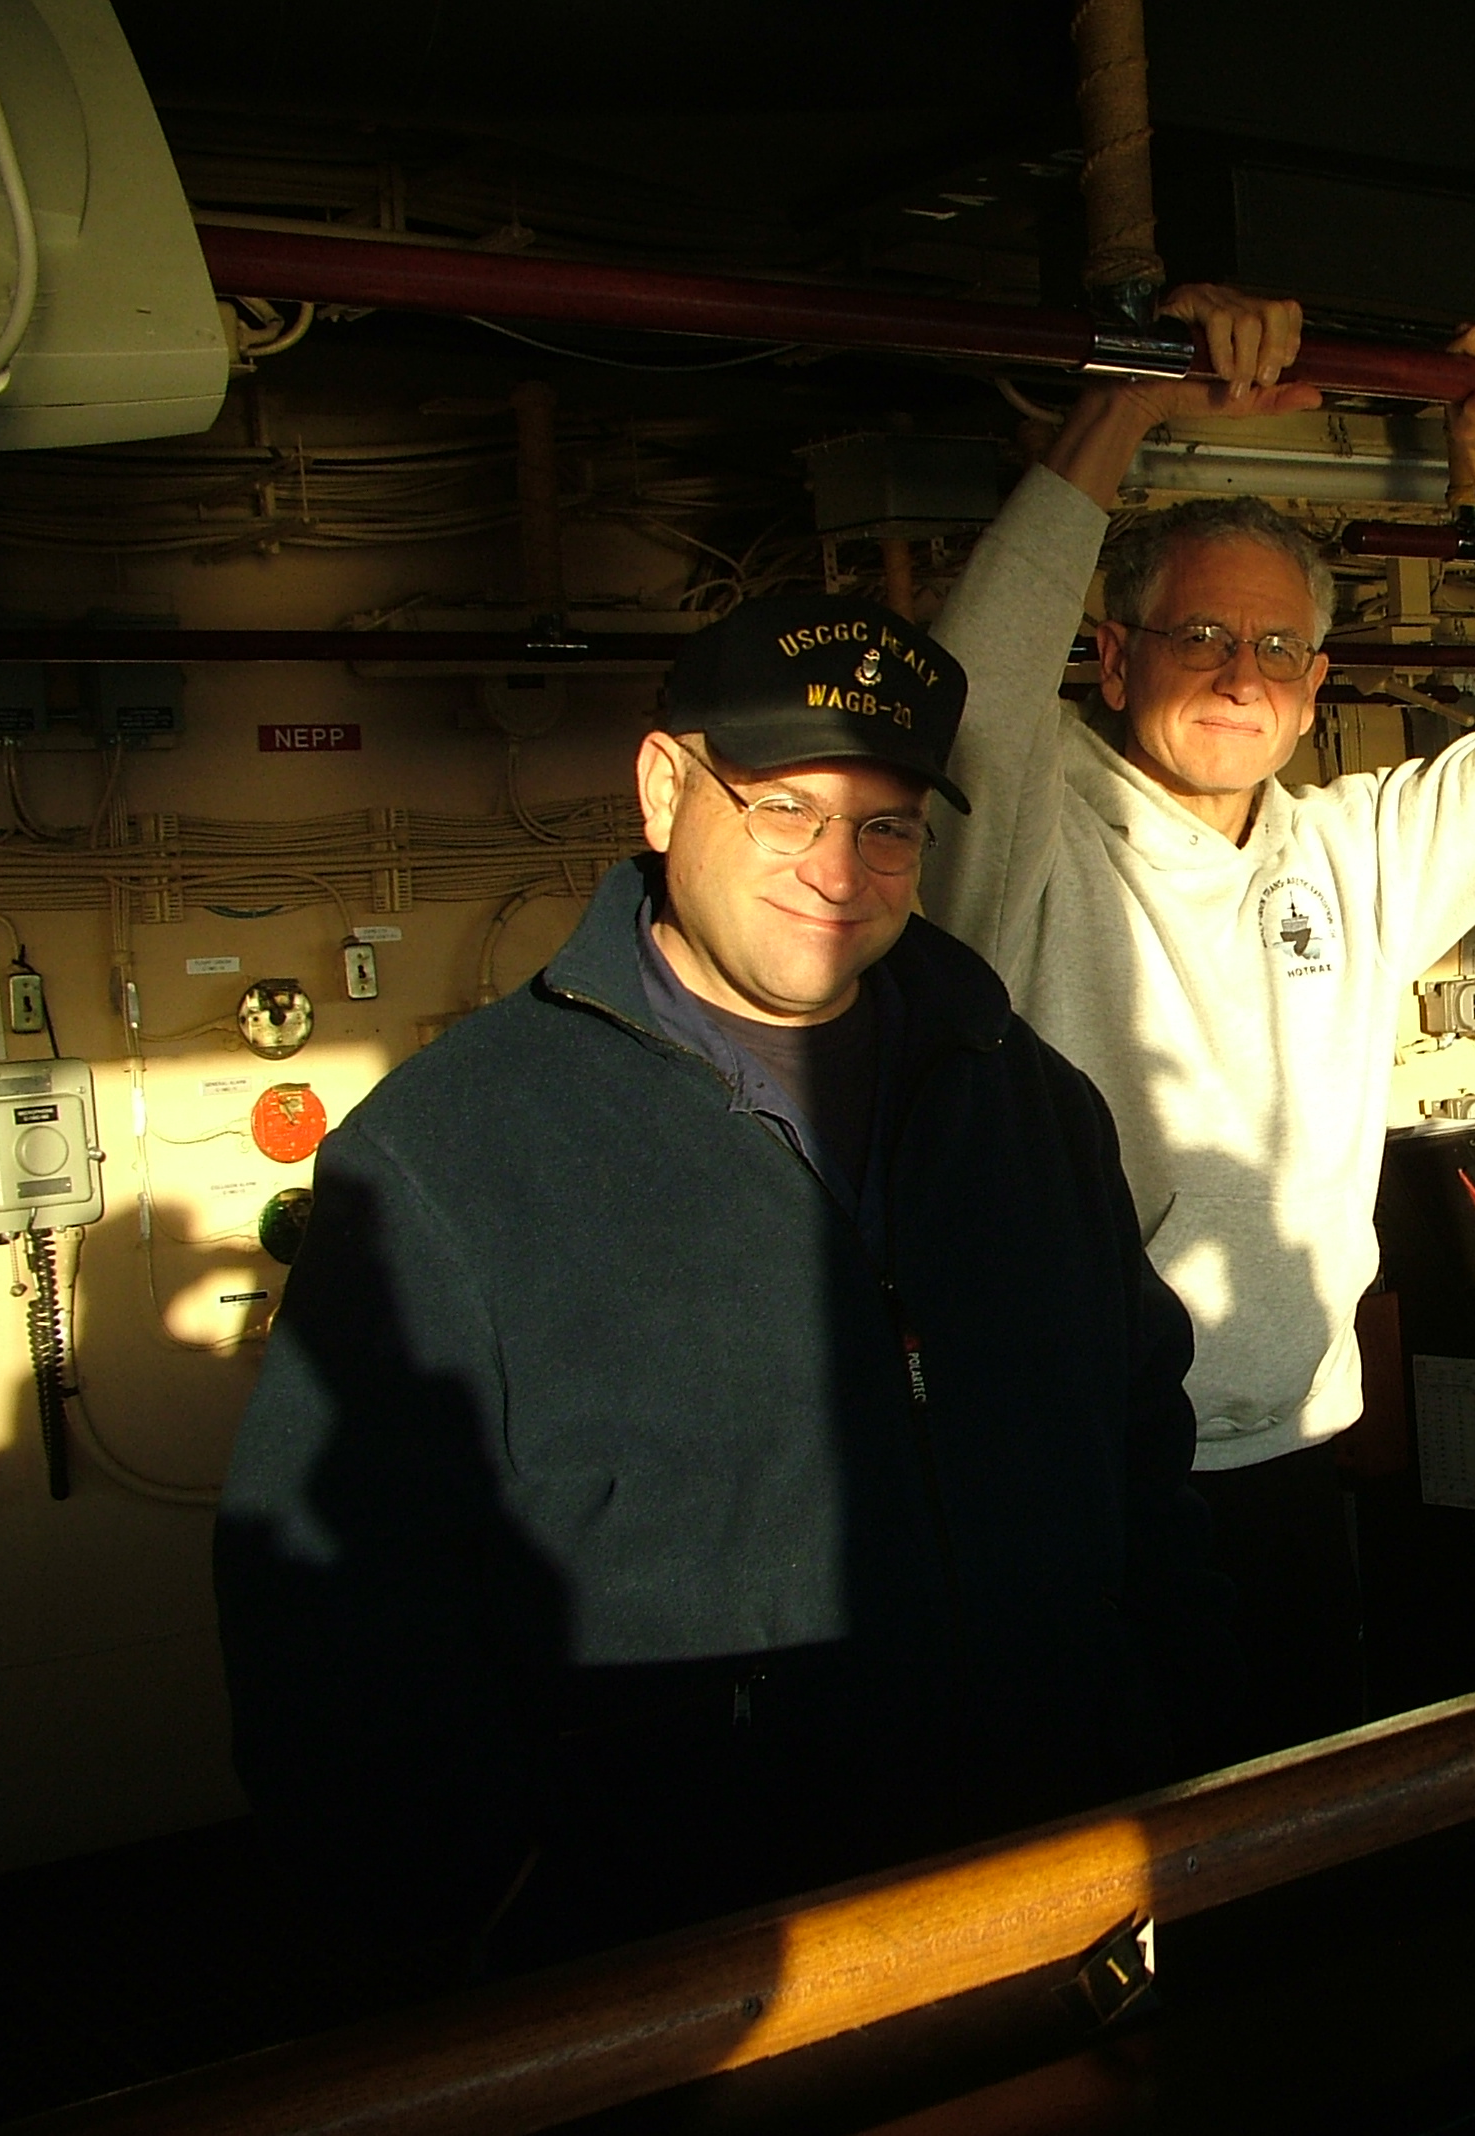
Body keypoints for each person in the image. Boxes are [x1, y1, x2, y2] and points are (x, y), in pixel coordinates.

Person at [215, 597, 1229, 1968]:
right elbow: (328, 1617)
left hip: (1064, 1883)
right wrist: (503, 1927)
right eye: (785, 809)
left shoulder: (1026, 1100)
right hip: (698, 1956)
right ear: (661, 788)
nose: (837, 869)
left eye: (886, 828)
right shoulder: (449, 1155)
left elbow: (1142, 1449)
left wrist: (1165, 1748)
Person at [925, 287, 1475, 1751]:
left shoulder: (1353, 852)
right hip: (1080, 1468)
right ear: (1114, 658)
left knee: (1305, 1822)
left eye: (1274, 650)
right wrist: (1130, 395)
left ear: (1316, 689)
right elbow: (970, 696)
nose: (1236, 675)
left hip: (1294, 1459)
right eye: (1198, 634)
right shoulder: (1024, 831)